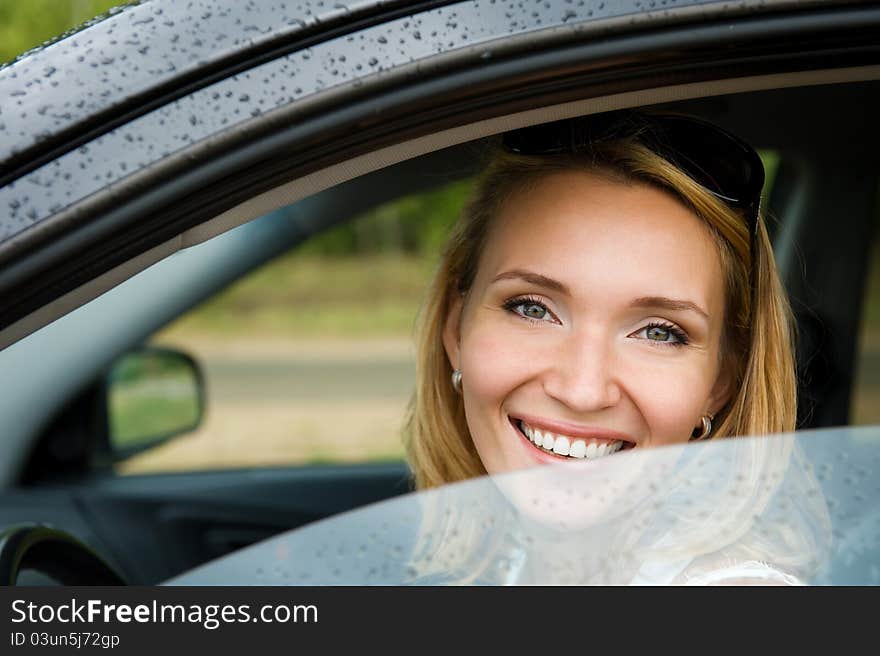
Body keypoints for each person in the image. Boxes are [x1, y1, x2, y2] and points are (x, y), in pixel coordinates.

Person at [401, 109, 830, 584]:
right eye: (533, 309)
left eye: (658, 332)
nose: (583, 391)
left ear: (721, 381)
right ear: (454, 330)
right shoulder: (507, 561)